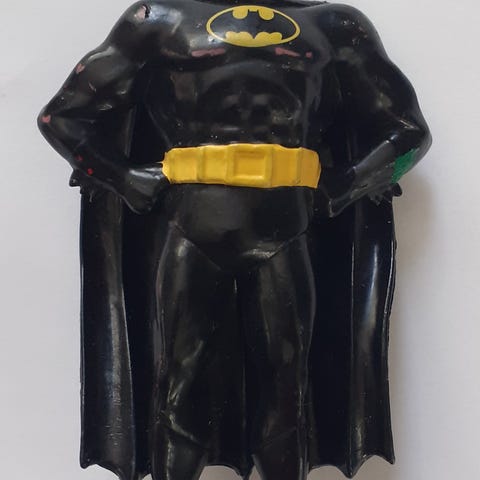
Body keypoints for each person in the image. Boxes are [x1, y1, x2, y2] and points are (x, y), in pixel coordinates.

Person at [38, 2, 431, 480]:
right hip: (192, 228)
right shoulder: (157, 19)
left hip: (284, 229)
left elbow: (408, 133)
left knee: (287, 392)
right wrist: (124, 178)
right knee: (180, 388)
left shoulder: (336, 25)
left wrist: (345, 186)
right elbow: (61, 118)